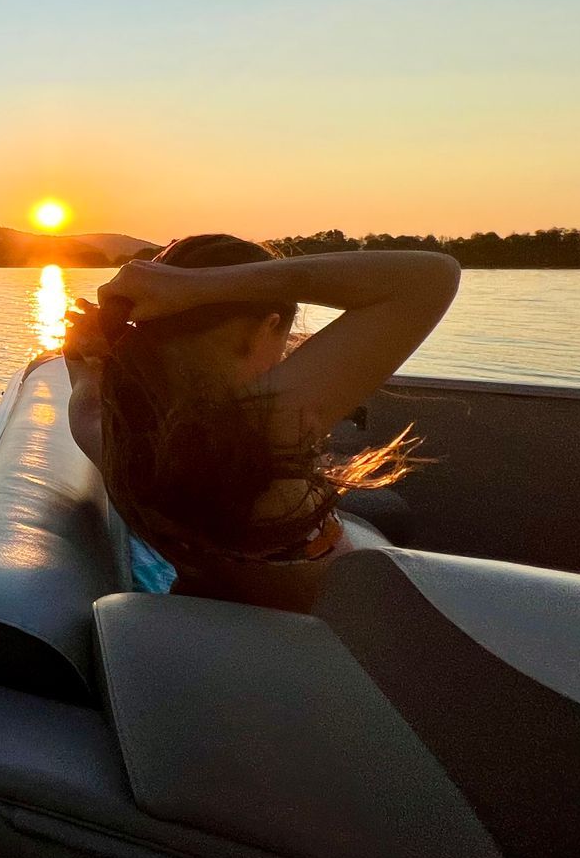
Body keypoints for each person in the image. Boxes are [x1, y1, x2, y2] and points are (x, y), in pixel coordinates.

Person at [63, 235, 461, 612]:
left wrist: (96, 342)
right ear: (269, 327)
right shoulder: (261, 425)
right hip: (342, 631)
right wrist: (198, 286)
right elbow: (432, 276)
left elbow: (82, 375)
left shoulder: (116, 433)